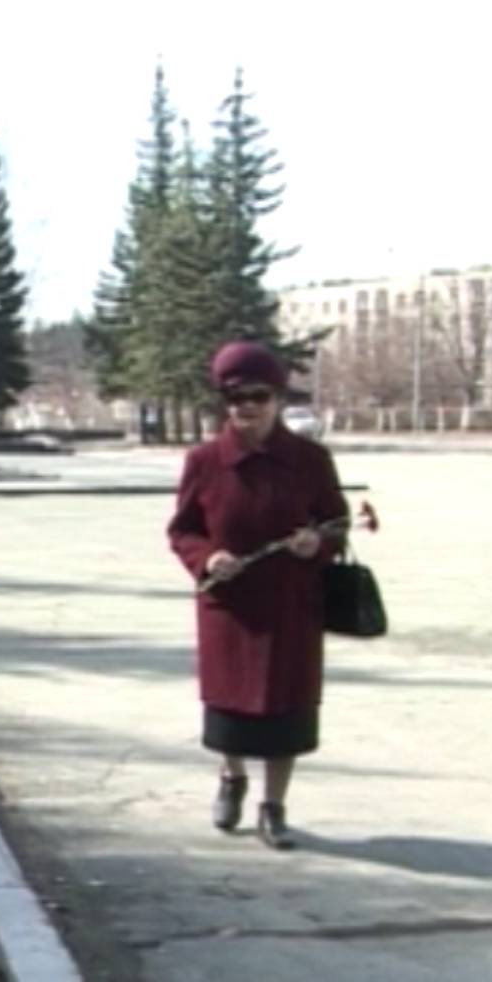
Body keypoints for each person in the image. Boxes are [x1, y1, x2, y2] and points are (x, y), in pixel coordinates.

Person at [166, 340, 349, 849]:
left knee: (287, 711)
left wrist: (317, 543)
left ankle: (274, 806)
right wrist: (207, 560)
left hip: (291, 605)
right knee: (232, 709)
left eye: (258, 396)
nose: (246, 407)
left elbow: (336, 522)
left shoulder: (311, 460)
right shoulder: (205, 461)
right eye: (235, 398)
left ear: (278, 399)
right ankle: (232, 777)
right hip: (232, 608)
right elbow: (183, 530)